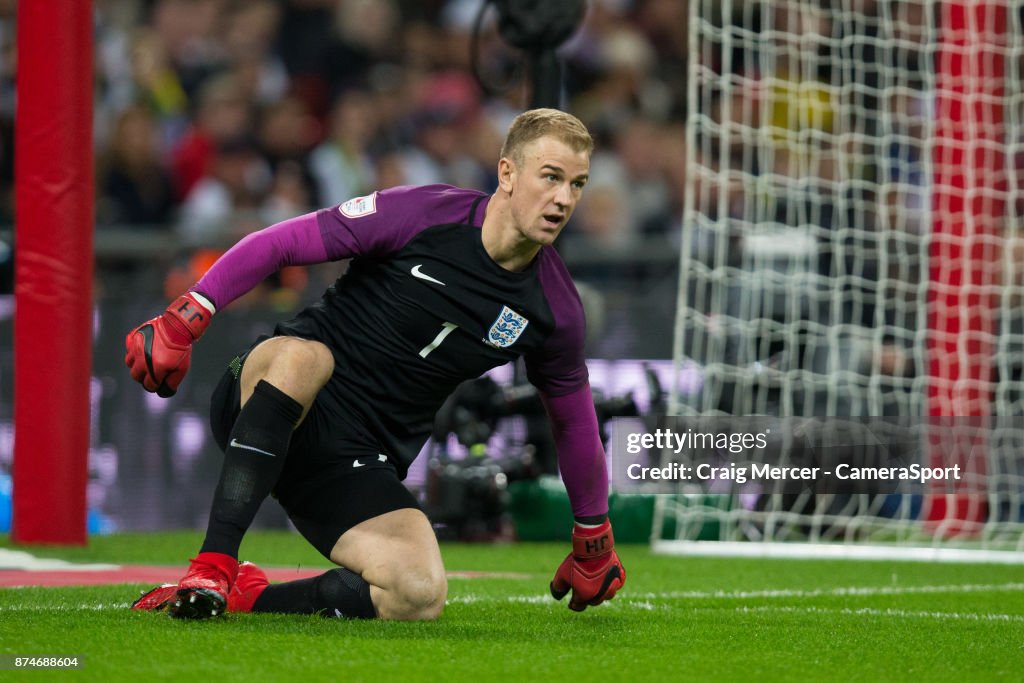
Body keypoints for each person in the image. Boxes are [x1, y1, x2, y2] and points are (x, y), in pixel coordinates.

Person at [125, 108, 626, 620]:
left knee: (418, 593)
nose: (564, 199)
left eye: (577, 184)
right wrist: (186, 317)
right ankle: (212, 565)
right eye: (551, 177)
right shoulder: (423, 213)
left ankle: (247, 598)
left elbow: (572, 420)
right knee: (305, 358)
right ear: (507, 173)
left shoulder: (555, 308)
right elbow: (282, 243)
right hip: (274, 395)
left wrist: (593, 533)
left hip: (356, 461)